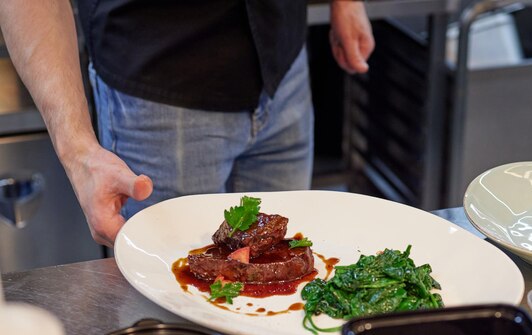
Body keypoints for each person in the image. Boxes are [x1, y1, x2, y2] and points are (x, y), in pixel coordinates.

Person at [0, 0, 374, 247]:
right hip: (159, 104)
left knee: (284, 296)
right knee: (176, 328)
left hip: (284, 70)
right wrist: (78, 150)